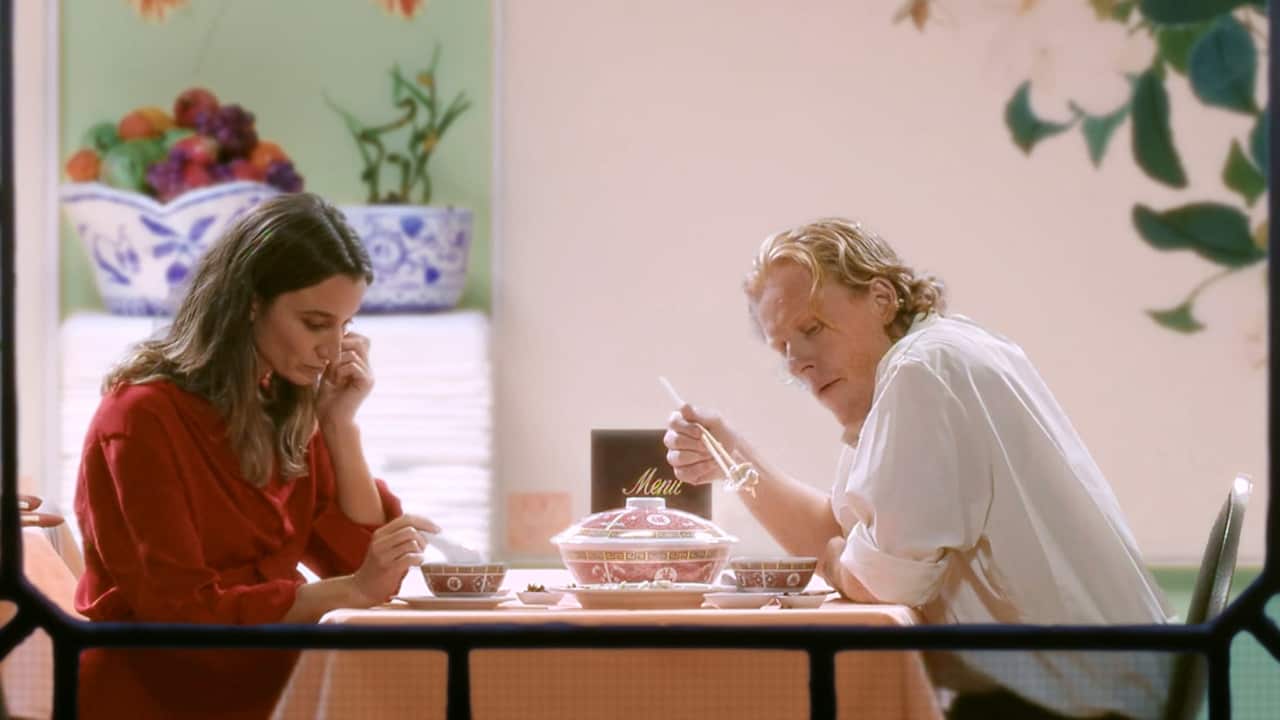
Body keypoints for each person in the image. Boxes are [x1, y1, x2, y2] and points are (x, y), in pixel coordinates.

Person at [664, 218, 1175, 720]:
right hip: (1105, 684)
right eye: (783, 348)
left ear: (881, 299)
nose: (796, 362)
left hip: (1082, 704)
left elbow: (881, 583)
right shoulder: (930, 361)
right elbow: (838, 539)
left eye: (811, 329)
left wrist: (849, 556)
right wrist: (733, 458)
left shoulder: (922, 374)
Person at [73, 192, 440, 719]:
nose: (334, 351)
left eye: (346, 326)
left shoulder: (283, 405)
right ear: (249, 303)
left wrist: (340, 425)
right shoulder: (139, 420)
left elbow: (360, 573)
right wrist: (339, 592)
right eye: (316, 324)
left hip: (267, 684)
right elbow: (181, 617)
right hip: (155, 697)